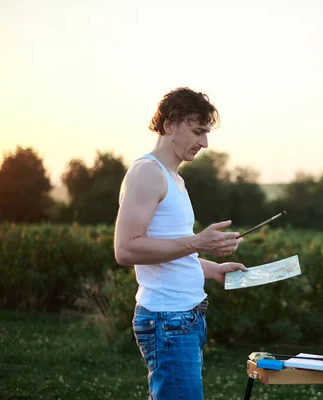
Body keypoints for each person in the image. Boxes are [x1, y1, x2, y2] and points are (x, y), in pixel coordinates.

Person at [113, 87, 247, 399]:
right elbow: (126, 249)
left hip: (186, 317)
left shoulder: (175, 178)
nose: (204, 143)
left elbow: (165, 248)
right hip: (167, 320)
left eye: (206, 133)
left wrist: (210, 268)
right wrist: (198, 241)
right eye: (197, 131)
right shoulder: (148, 172)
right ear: (169, 124)